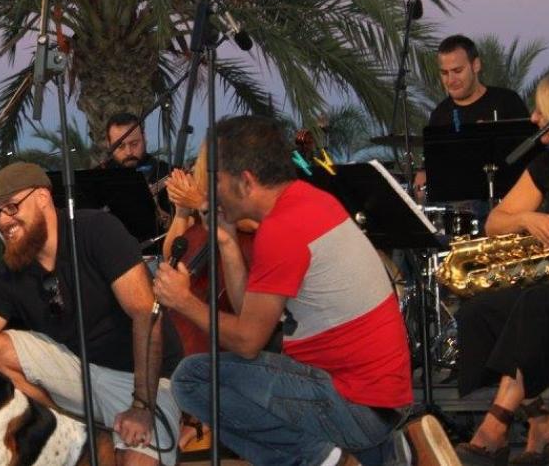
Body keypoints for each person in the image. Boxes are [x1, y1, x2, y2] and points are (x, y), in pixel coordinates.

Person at [153, 116, 455, 466]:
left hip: (354, 403)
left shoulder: (283, 230)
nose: (207, 193)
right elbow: (249, 315)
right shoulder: (307, 201)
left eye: (213, 181)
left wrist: (184, 302)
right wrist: (228, 242)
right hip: (377, 402)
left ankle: (327, 460)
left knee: (192, 378)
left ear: (245, 181)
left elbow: (248, 342)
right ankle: (388, 455)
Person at [0, 162, 182, 465]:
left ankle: (132, 429)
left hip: (145, 381)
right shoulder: (13, 270)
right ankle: (65, 431)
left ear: (43, 198)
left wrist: (142, 406)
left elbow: (147, 316)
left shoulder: (95, 229)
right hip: (79, 375)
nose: (3, 221)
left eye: (11, 207)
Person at [452, 72, 549, 464]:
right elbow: (495, 221)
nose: (532, 117)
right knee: (481, 310)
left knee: (533, 305)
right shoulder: (545, 164)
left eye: (540, 110)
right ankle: (541, 420)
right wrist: (528, 220)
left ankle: (496, 425)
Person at [427, 35, 528, 129]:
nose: (451, 80)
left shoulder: (508, 101)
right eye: (444, 73)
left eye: (458, 71)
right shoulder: (439, 116)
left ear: (476, 65)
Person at [103, 111, 173, 227]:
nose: (129, 152)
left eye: (134, 144)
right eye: (120, 146)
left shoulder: (165, 171)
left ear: (144, 138)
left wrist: (160, 213)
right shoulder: (100, 177)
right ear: (109, 144)